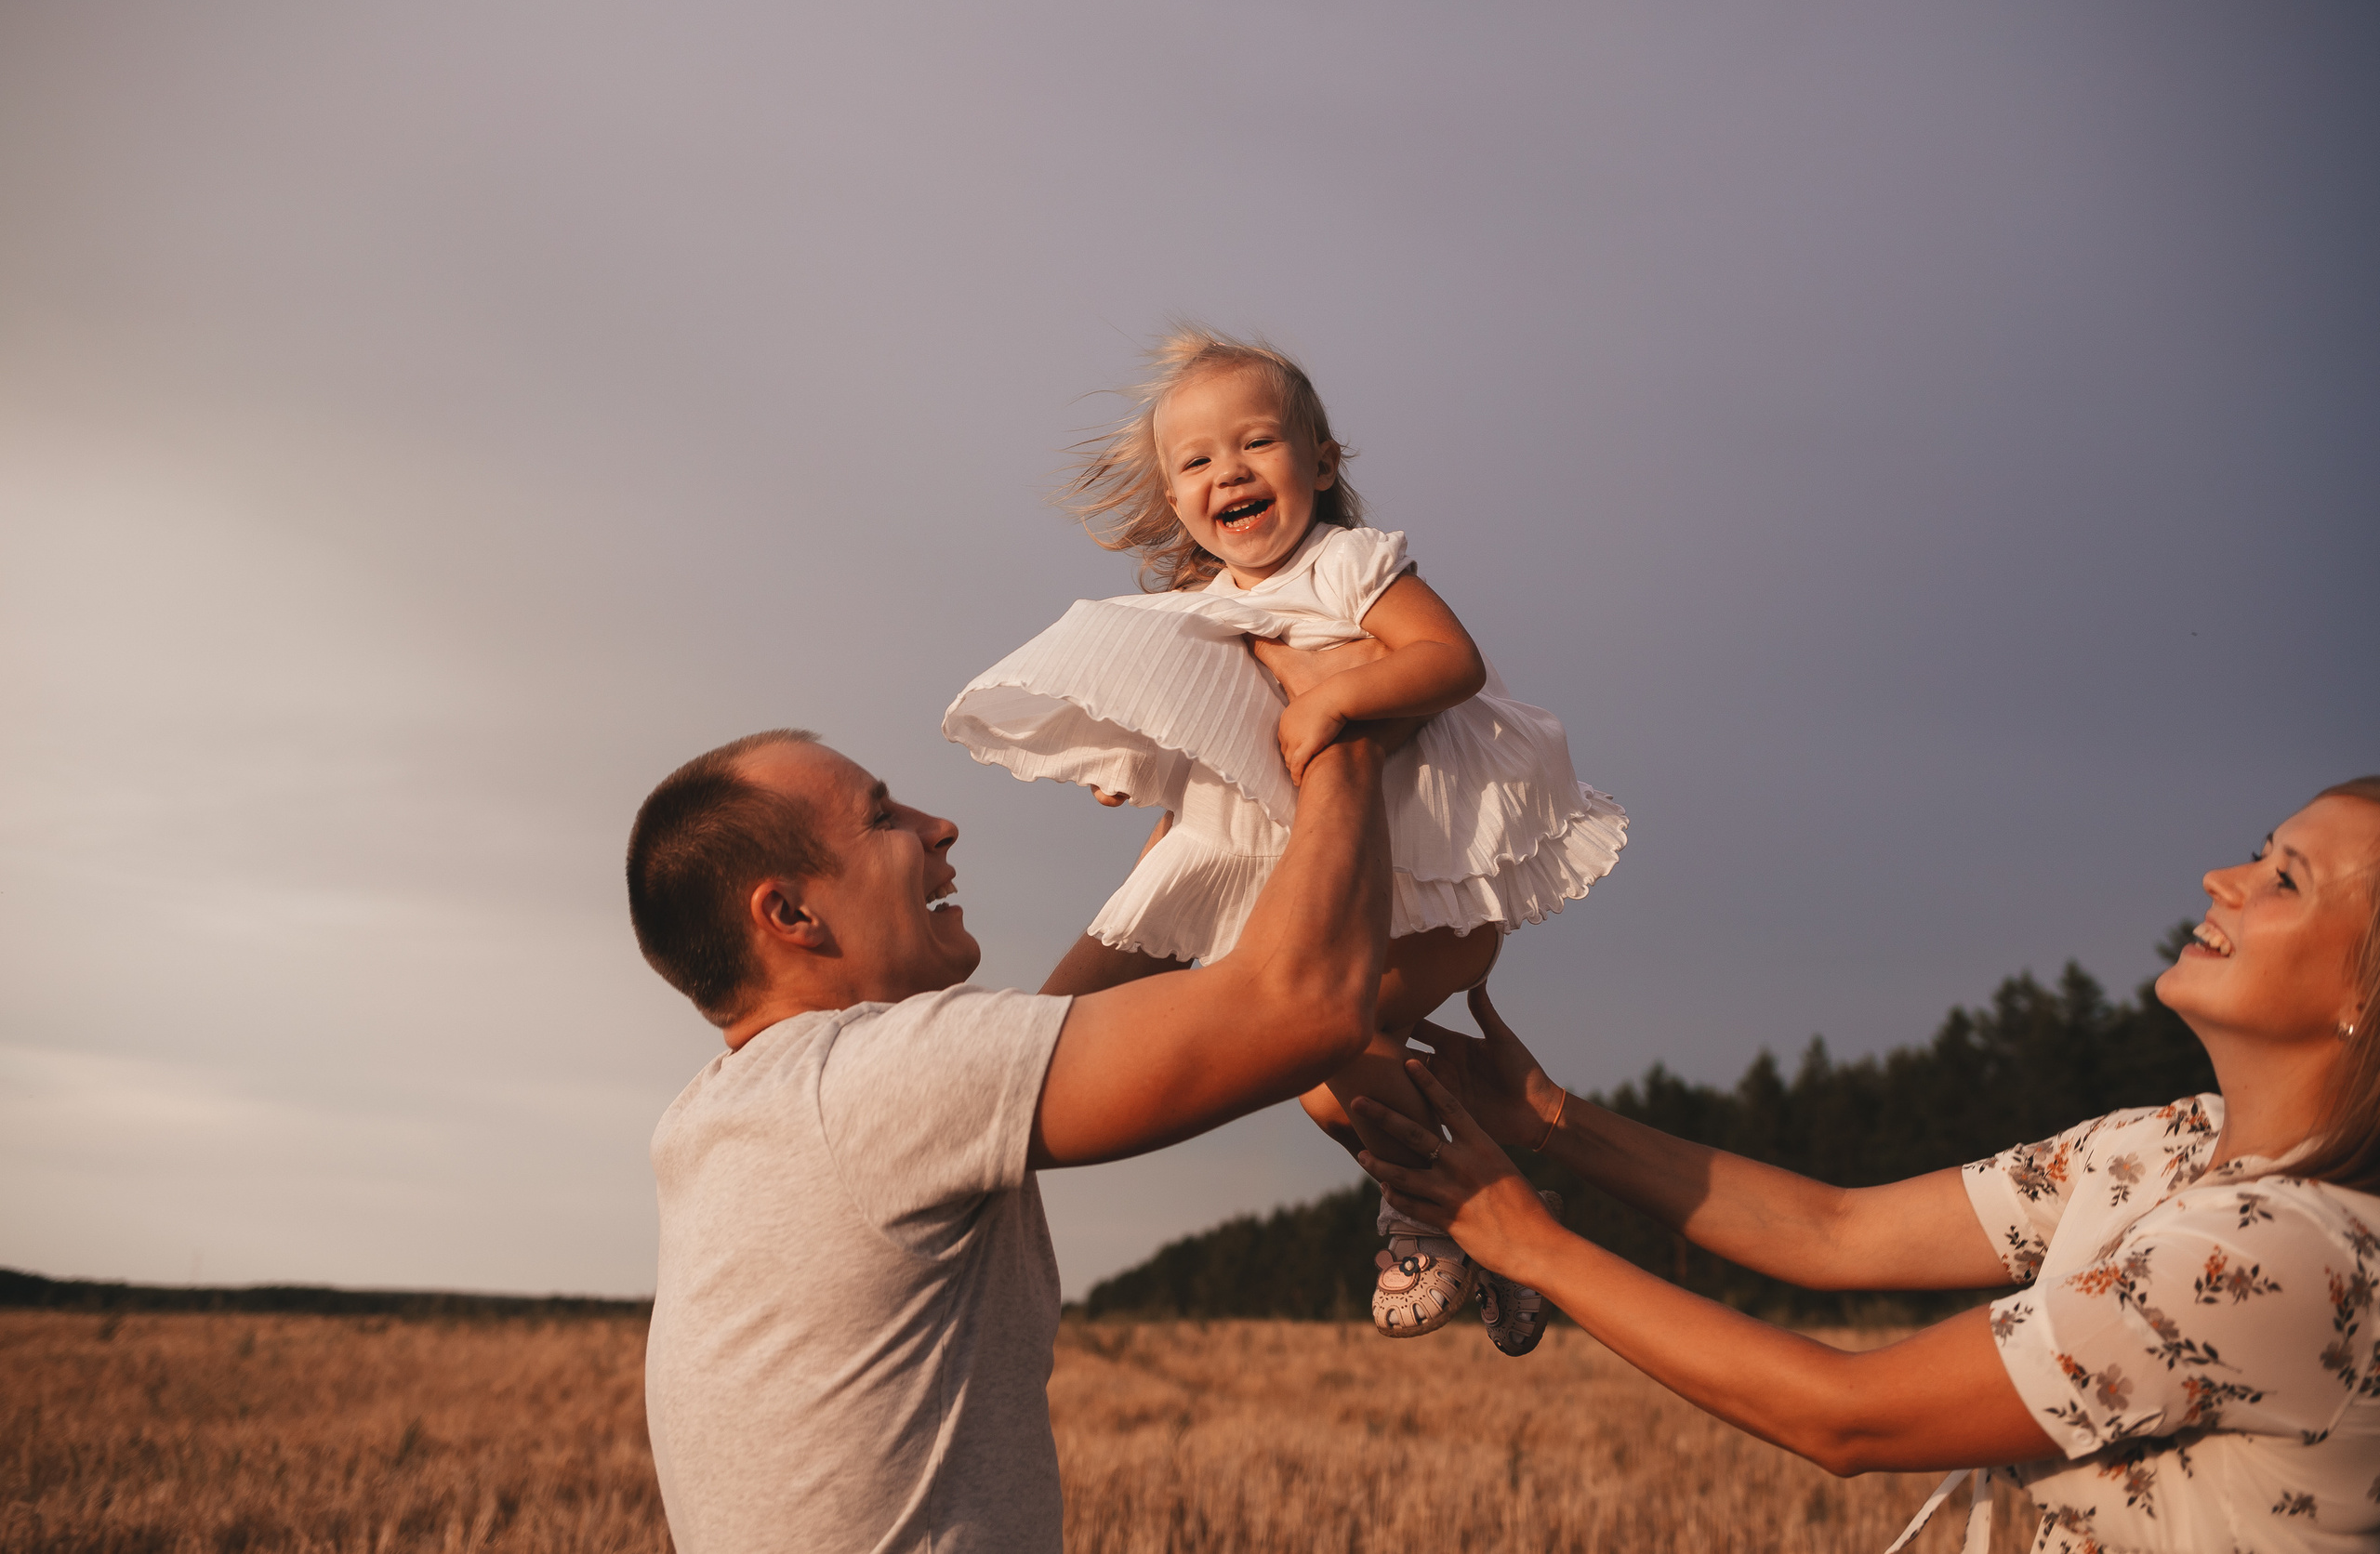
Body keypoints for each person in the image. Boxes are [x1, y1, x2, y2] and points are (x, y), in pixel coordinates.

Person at [1356, 777, 2380, 1553]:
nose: (2224, 880)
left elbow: (1845, 1416)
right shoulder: (2166, 1147)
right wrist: (1547, 1121)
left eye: (2285, 879)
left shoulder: (2290, 1257)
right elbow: (1830, 1230)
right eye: (2258, 851)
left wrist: (1532, 1246)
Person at [943, 326, 1628, 1347]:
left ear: (1321, 462)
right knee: (1057, 1031)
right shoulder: (1189, 614)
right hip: (1237, 872)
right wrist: (1136, 763)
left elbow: (1450, 659)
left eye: (1256, 443)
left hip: (1407, 887)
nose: (1231, 471)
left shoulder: (1349, 567)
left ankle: (1440, 1219)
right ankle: (1492, 1219)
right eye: (1199, 461)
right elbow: (1202, 749)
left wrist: (1336, 704)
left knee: (1318, 1062)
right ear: (1177, 502)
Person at [625, 721, 1404, 1553]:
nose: (939, 825)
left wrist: (1194, 853)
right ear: (790, 912)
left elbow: (1027, 1049)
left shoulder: (721, 1113)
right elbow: (1309, 1005)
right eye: (883, 818)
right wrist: (1342, 729)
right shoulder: (870, 1082)